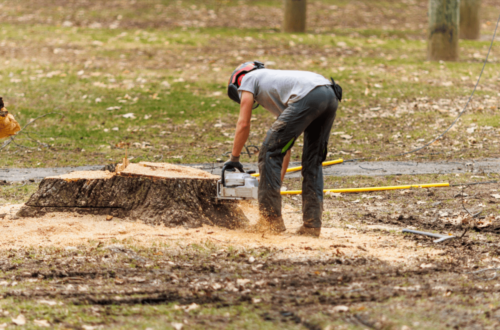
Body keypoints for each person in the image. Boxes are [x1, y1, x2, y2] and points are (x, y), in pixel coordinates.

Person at [224, 61, 342, 237]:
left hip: (310, 95)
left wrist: (234, 159)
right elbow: (284, 145)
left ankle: (270, 221)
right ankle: (312, 225)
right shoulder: (279, 85)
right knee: (312, 161)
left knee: (268, 151)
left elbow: (243, 123)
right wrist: (275, 184)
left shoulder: (248, 79)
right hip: (329, 93)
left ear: (238, 81)